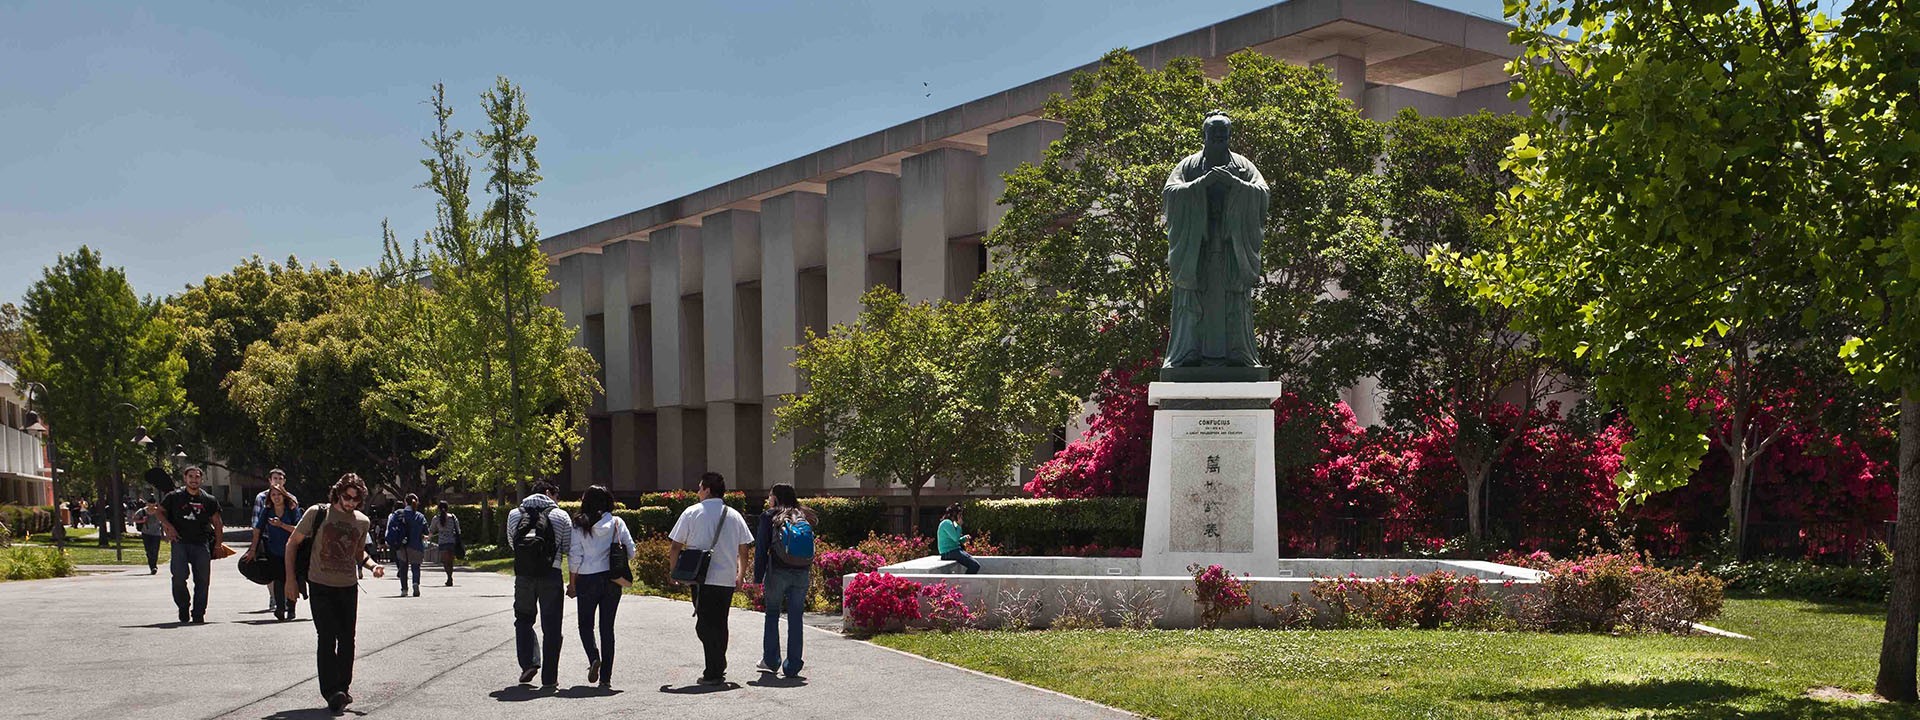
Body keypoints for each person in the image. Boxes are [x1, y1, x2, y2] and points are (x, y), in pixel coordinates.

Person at [284, 473, 384, 714]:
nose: (350, 503)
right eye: (347, 497)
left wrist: (373, 566)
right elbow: (292, 543)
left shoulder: (362, 521)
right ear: (338, 493)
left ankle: (343, 688)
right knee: (326, 637)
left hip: (348, 587)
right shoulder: (317, 513)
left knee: (347, 639)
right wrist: (290, 580)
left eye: (356, 500)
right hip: (320, 585)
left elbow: (359, 553)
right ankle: (331, 691)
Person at [668, 472, 755, 686]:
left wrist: (674, 571)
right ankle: (718, 664)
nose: (697, 493)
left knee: (704, 625)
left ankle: (714, 670)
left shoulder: (692, 513)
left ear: (707, 489)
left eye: (699, 488)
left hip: (701, 579)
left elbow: (675, 546)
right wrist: (740, 575)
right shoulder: (734, 515)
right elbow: (744, 549)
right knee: (720, 622)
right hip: (726, 579)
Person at [508, 479, 572, 690]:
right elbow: (566, 546)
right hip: (551, 575)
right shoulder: (561, 516)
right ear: (548, 492)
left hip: (524, 575)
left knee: (523, 620)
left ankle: (528, 662)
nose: (558, 500)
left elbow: (512, 543)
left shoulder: (515, 514)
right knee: (552, 627)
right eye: (556, 495)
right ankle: (550, 678)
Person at [568, 485, 634, 689]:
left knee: (585, 625)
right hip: (612, 580)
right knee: (607, 628)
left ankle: (593, 657)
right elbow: (631, 551)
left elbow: (575, 556)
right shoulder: (616, 522)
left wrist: (572, 584)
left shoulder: (579, 524)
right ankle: (606, 678)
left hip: (587, 579)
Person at [753, 483, 819, 678]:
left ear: (776, 498)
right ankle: (793, 665)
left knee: (772, 614)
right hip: (801, 572)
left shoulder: (769, 516)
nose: (768, 499)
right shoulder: (804, 515)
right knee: (796, 617)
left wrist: (757, 579)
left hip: (778, 572)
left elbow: (761, 550)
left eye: (770, 496)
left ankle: (771, 660)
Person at [156, 467, 224, 624]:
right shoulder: (174, 497)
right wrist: (168, 526)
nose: (194, 479)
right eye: (191, 476)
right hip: (180, 542)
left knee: (203, 580)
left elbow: (217, 523)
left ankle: (199, 613)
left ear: (202, 479)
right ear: (185, 478)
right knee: (179, 577)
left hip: (201, 543)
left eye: (197, 477)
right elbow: (159, 512)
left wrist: (219, 544)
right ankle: (183, 606)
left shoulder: (209, 500)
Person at [246, 481, 302, 620]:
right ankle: (280, 608)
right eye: (273, 495)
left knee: (291, 578)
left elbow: (299, 530)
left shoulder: (292, 509)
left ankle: (291, 608)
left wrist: (281, 524)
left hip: (291, 549)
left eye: (278, 494)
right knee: (278, 579)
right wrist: (253, 549)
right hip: (274, 550)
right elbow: (258, 529)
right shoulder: (267, 510)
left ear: (284, 496)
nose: (276, 497)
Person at [386, 494, 427, 597]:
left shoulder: (398, 514)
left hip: (402, 545)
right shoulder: (420, 516)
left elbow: (391, 527)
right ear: (416, 502)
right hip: (416, 545)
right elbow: (426, 530)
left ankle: (404, 589)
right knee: (415, 567)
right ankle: (415, 583)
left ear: (405, 502)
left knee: (403, 568)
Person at [937, 503, 980, 574]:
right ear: (955, 514)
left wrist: (963, 539)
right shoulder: (947, 523)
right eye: (960, 515)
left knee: (975, 565)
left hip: (953, 551)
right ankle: (965, 583)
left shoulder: (950, 523)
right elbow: (955, 538)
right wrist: (959, 526)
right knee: (974, 565)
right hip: (949, 552)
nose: (961, 517)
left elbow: (955, 540)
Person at [131, 497, 167, 574]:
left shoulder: (158, 512)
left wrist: (164, 534)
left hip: (156, 534)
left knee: (155, 550)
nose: (151, 507)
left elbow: (163, 523)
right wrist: (142, 521)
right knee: (149, 551)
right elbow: (134, 519)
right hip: (146, 533)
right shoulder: (142, 511)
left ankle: (154, 566)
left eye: (153, 506)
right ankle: (152, 566)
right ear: (147, 504)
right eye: (150, 505)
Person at [430, 501, 461, 586]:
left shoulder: (436, 518)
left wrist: (427, 537)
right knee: (450, 562)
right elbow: (458, 530)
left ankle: (449, 577)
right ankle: (450, 577)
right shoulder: (453, 517)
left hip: (442, 542)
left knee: (445, 562)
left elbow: (432, 530)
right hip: (452, 542)